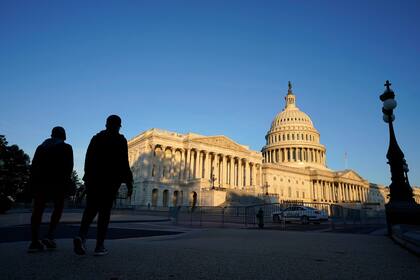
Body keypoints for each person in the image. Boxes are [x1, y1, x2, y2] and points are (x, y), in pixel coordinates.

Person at [73, 115, 133, 256]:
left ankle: (81, 236)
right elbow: (124, 162)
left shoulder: (96, 138)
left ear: (106, 125)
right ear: (118, 126)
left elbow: (88, 159)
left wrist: (87, 179)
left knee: (90, 210)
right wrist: (129, 182)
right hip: (110, 181)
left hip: (95, 179)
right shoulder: (120, 140)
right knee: (104, 213)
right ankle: (99, 246)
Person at [28, 126, 74, 252]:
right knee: (58, 209)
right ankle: (50, 235)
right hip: (58, 184)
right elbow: (69, 168)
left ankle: (34, 241)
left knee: (37, 211)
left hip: (41, 184)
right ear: (64, 136)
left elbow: (34, 166)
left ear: (52, 135)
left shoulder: (41, 147)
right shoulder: (66, 147)